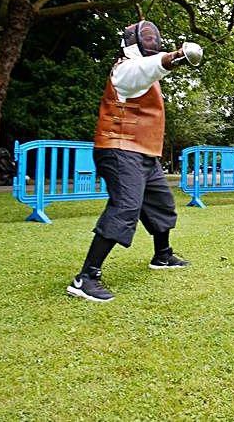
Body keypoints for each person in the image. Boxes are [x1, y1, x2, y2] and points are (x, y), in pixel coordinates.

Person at [66, 21, 203, 303]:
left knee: (161, 203)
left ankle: (162, 256)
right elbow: (146, 68)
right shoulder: (125, 69)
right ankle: (86, 278)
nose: (152, 39)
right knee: (126, 206)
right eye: (147, 37)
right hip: (119, 150)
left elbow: (149, 69)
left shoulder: (145, 72)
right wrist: (176, 56)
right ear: (134, 42)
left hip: (144, 153)